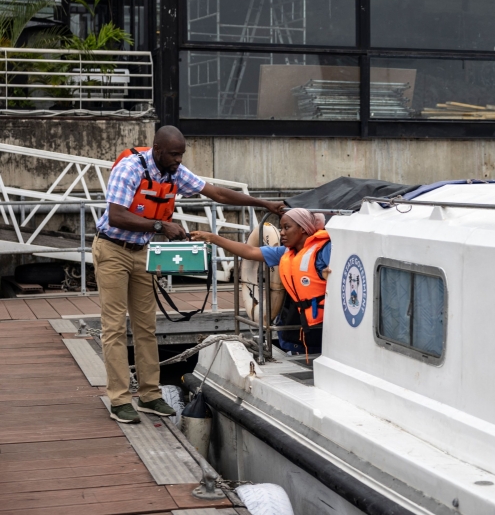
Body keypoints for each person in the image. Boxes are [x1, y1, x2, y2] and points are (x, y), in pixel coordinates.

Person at [94, 125, 285, 424]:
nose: (179, 160)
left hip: (141, 251)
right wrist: (160, 226)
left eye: (181, 154)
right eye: (174, 154)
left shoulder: (174, 171)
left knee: (146, 326)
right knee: (115, 327)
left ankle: (149, 395)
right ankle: (119, 400)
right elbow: (117, 214)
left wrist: (263, 204)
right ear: (157, 150)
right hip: (112, 249)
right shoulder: (130, 168)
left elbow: (217, 193)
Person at [192, 208, 329, 357]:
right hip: (306, 324)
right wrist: (213, 238)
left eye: (286, 228)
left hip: (326, 324)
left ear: (303, 228)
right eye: (281, 228)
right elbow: (250, 251)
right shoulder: (285, 252)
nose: (282, 232)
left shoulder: (325, 251)